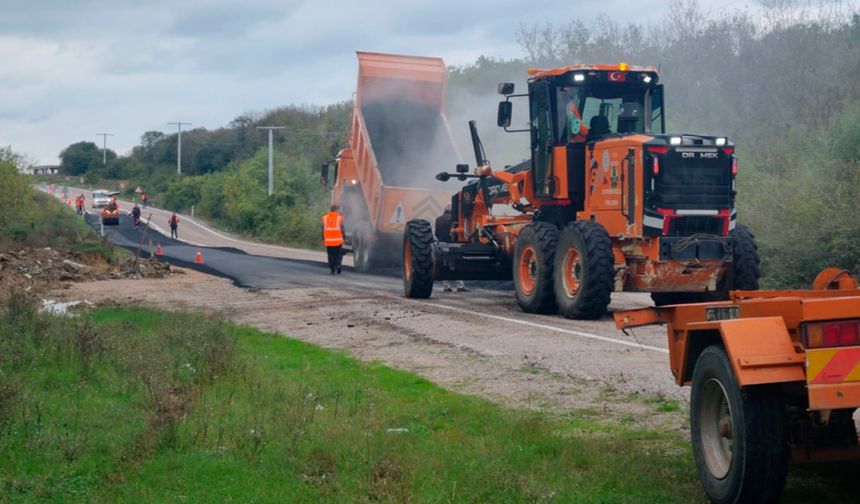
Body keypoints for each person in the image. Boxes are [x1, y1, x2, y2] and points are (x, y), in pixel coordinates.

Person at [434, 206, 467, 292]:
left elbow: (436, 233)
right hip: (454, 244)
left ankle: (446, 286)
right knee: (458, 264)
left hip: (442, 244)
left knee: (444, 264)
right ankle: (460, 286)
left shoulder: (438, 219)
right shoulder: (455, 219)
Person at [322, 204, 345, 275]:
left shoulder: (324, 218)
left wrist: (323, 239)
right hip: (338, 241)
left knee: (330, 255)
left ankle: (332, 270)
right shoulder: (340, 218)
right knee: (338, 254)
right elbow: (342, 229)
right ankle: (338, 265)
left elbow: (322, 229)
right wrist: (344, 238)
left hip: (328, 241)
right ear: (336, 210)